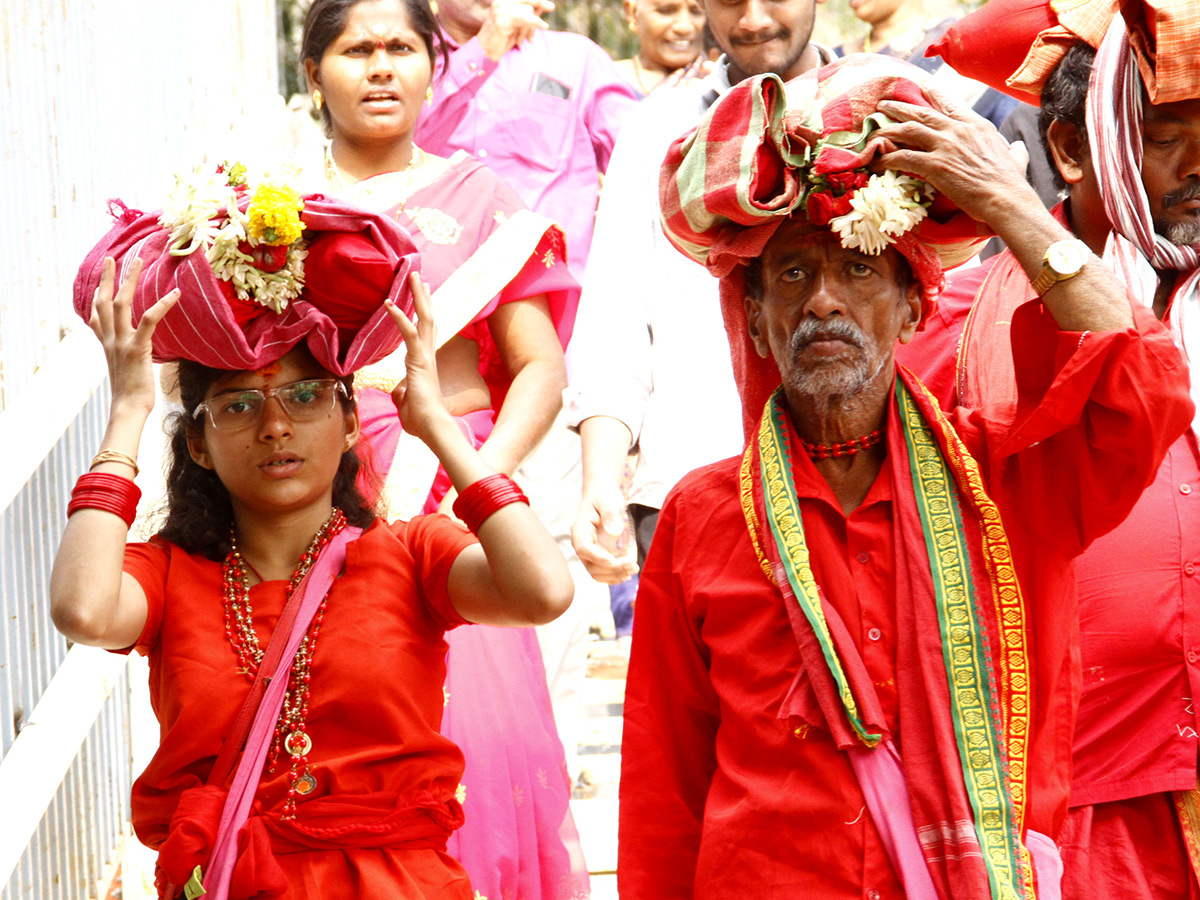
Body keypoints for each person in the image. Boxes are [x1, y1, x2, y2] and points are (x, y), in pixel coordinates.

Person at [617, 53, 1194, 898]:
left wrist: (1014, 208)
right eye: (791, 275)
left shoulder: (1004, 482)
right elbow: (665, 789)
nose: (822, 302)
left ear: (915, 307)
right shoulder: (701, 515)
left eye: (856, 270)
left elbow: (1144, 386)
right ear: (755, 315)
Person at [53, 178, 573, 900]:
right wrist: (130, 410)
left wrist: (437, 426)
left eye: (304, 396)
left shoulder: (412, 553)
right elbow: (80, 611)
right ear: (198, 445)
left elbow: (544, 590)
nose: (275, 427)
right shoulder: (169, 576)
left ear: (352, 421)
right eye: (237, 404)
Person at [899, 1, 1200, 895]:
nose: (1199, 165)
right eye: (1167, 135)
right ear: (1071, 149)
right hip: (1067, 808)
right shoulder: (951, 326)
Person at [297, 1, 590, 896]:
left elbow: (539, 366)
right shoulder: (271, 204)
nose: (381, 68)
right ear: (314, 73)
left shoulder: (484, 201)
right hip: (312, 497)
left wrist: (480, 477)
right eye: (356, 50)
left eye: (401, 49)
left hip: (449, 492)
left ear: (434, 66)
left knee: (476, 736)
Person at [567, 0, 833, 589]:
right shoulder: (658, 132)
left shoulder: (882, 109)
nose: (755, 20)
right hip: (690, 491)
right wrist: (601, 479)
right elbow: (615, 317)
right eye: (731, 1)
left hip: (861, 498)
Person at [415, 0, 639, 283]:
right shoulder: (405, 54)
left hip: (551, 294)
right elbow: (397, 143)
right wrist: (484, 48)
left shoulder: (576, 58)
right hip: (434, 294)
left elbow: (645, 161)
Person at [613, 0, 706, 94]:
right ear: (632, 13)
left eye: (697, 12)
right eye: (666, 11)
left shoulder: (715, 84)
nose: (684, 27)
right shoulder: (606, 78)